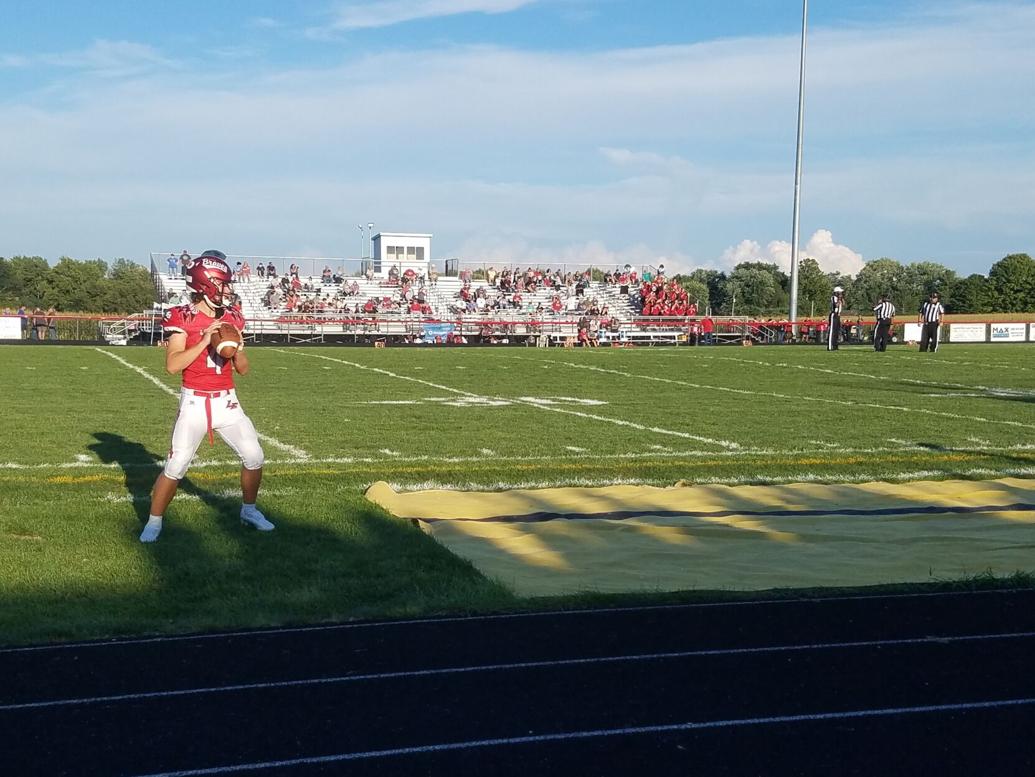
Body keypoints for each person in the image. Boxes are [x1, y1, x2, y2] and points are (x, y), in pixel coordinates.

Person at [140, 249, 273, 543]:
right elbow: (173, 366)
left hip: (226, 400)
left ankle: (249, 510)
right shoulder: (182, 317)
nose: (227, 290)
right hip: (195, 401)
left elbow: (244, 369)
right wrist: (203, 340)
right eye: (223, 284)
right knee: (176, 466)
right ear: (207, 284)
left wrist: (235, 348)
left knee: (254, 456)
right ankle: (154, 520)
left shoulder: (234, 317)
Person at [827, 286, 844, 351]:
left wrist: (841, 299)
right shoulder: (833, 298)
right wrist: (839, 299)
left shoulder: (839, 299)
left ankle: (835, 345)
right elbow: (836, 305)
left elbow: (844, 304)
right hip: (833, 314)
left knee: (836, 331)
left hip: (838, 315)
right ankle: (830, 346)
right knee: (832, 330)